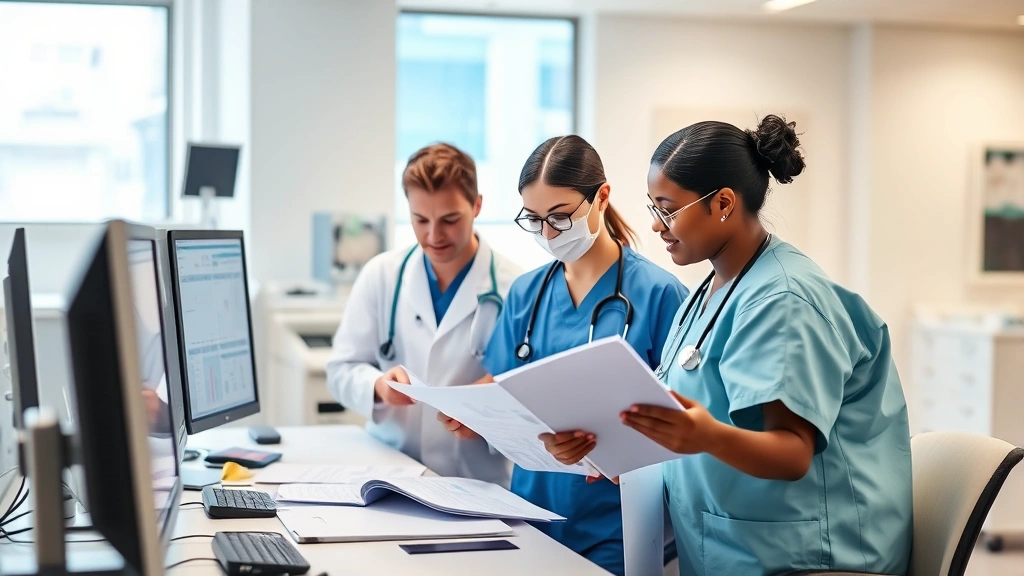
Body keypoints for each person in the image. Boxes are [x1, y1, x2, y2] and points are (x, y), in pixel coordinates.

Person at [621, 115, 913, 575]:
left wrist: (703, 435)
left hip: (806, 559)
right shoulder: (710, 292)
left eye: (667, 209)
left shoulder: (784, 299)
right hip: (732, 544)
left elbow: (792, 452)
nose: (657, 226)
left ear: (722, 203)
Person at [439, 135, 688, 575]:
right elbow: (506, 380)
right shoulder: (526, 292)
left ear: (602, 197)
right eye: (534, 220)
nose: (549, 233)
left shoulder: (660, 294)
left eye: (560, 216)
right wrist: (466, 410)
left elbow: (687, 423)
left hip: (617, 525)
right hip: (530, 513)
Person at [327, 143, 521, 486]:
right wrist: (377, 386)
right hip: (388, 476)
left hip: (476, 484)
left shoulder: (516, 289)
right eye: (420, 220)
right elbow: (341, 370)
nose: (434, 235)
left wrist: (488, 413)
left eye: (449, 219)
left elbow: (527, 396)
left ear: (477, 205)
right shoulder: (382, 275)